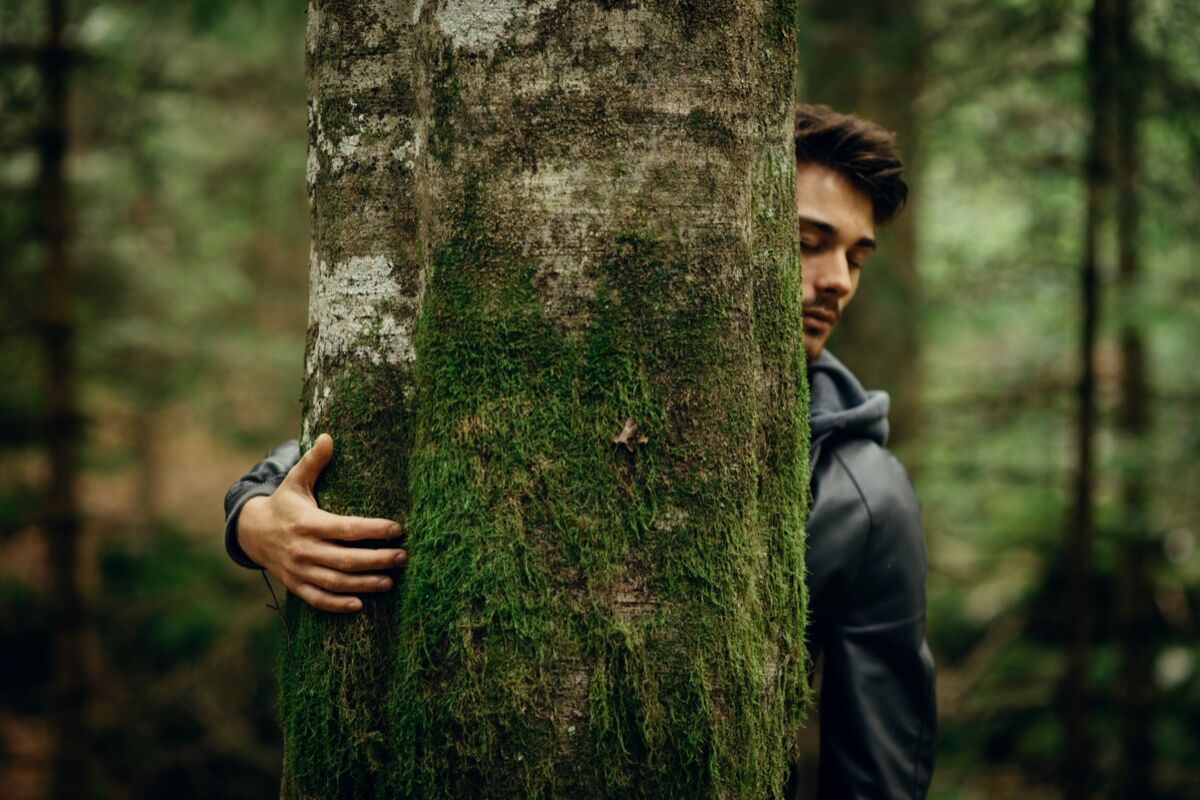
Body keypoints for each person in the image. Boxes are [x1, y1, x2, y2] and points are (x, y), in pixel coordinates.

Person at [223, 104, 935, 799]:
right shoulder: (590, 369)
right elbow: (338, 453)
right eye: (809, 243)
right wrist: (257, 520)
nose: (839, 280)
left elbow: (880, 768)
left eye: (856, 256)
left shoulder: (865, 491)